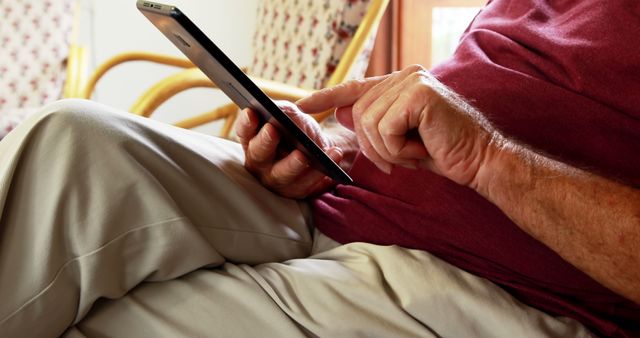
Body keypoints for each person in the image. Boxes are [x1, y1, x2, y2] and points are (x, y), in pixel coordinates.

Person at [0, 0, 638, 337]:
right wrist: (332, 151)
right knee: (70, 137)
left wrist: (486, 157)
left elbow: (486, 145)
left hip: (485, 284)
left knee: (85, 321)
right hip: (339, 201)